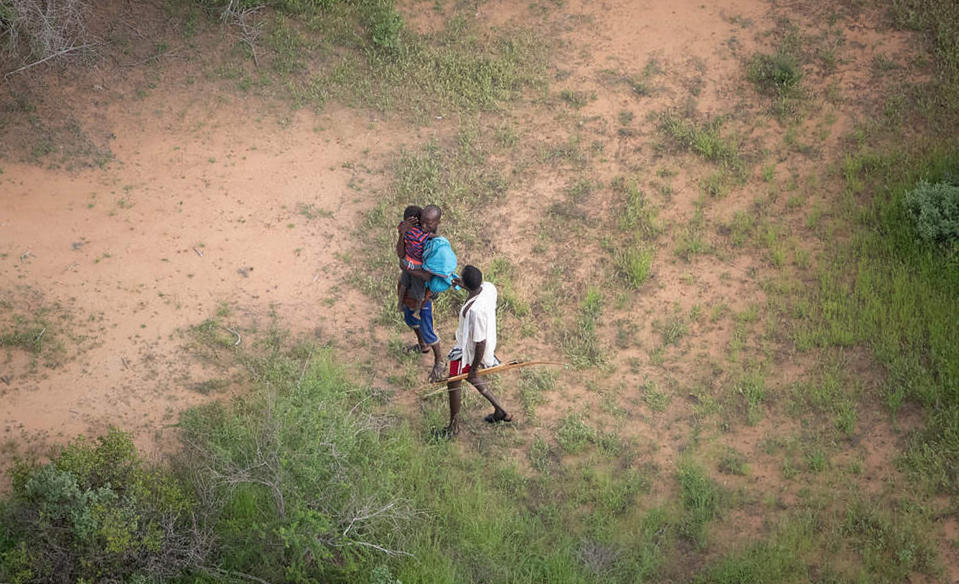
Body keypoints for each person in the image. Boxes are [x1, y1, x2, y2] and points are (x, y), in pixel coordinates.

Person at [441, 264, 511, 438]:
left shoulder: (473, 312)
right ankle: (501, 411)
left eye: (462, 281)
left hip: (468, 351)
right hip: (480, 344)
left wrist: (473, 368)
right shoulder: (488, 288)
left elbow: (480, 343)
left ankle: (454, 427)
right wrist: (462, 284)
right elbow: (475, 292)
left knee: (454, 382)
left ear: (465, 283)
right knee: (472, 379)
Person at [399, 204, 449, 382]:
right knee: (410, 318)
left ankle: (439, 362)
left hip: (424, 293)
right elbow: (400, 254)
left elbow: (428, 275)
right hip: (411, 285)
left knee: (428, 329)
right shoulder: (416, 234)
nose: (424, 228)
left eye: (428, 224)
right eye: (422, 224)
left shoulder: (436, 245)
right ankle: (423, 346)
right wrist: (402, 234)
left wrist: (408, 268)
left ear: (437, 222)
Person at [395, 205, 428, 316]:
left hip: (407, 262)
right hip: (418, 266)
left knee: (404, 284)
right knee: (419, 293)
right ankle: (418, 310)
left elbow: (400, 254)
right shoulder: (421, 235)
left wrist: (403, 229)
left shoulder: (404, 230)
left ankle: (399, 304)